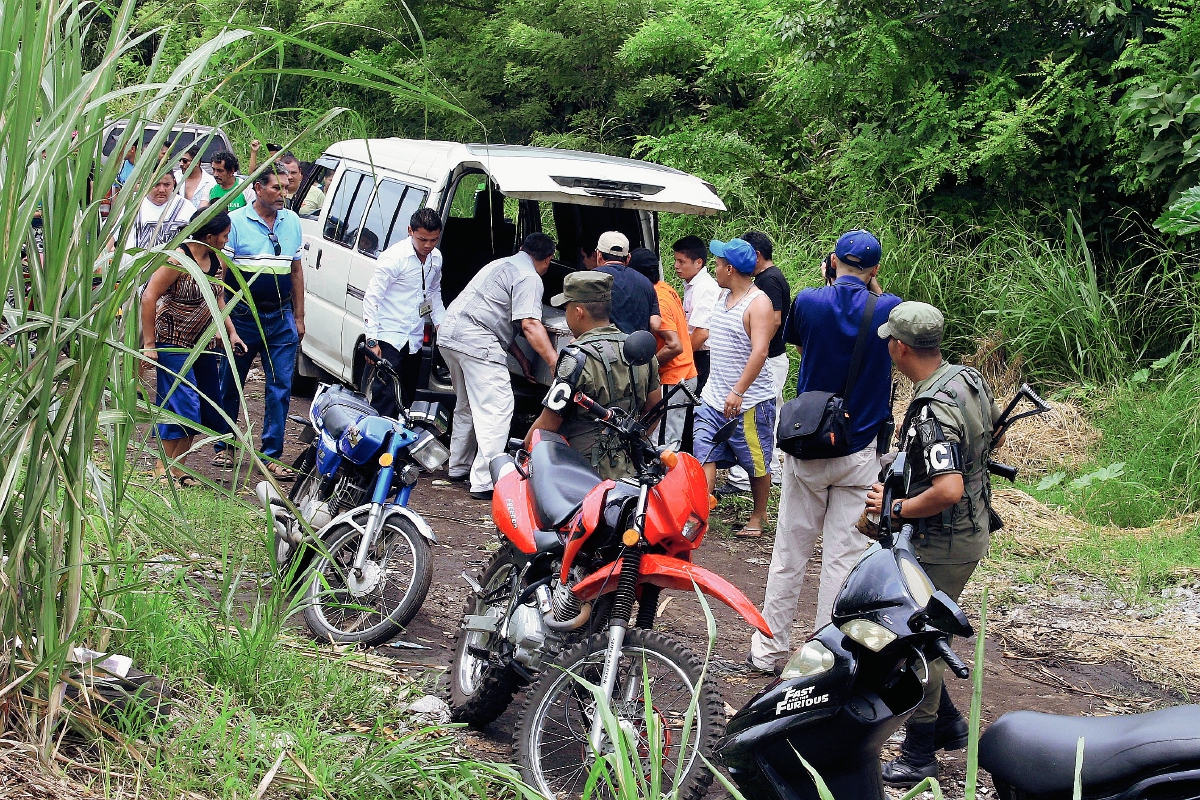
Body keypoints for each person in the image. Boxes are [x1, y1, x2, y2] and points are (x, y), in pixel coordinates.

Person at [747, 229, 901, 675]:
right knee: (843, 559)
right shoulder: (888, 309)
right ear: (874, 269)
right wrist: (872, 290)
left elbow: (797, 341)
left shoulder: (811, 302)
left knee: (790, 552)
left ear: (832, 261)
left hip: (808, 443)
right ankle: (823, 659)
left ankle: (769, 650)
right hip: (860, 450)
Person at [864, 302, 1001, 787]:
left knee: (919, 643)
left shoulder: (933, 409)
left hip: (943, 540)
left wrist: (896, 508)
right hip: (967, 531)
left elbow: (947, 489)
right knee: (920, 631)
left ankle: (920, 752)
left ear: (900, 347)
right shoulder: (966, 379)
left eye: (889, 342)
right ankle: (948, 724)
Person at [439, 233, 560, 500]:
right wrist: (554, 362)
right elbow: (529, 323)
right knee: (496, 409)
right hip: (477, 341)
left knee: (468, 404)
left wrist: (520, 357)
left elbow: (496, 319)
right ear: (548, 259)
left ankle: (458, 466)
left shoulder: (499, 264)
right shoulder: (530, 277)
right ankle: (484, 480)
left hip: (449, 335)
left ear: (522, 249)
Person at [140, 209, 246, 486]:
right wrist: (149, 344)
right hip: (173, 341)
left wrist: (230, 332)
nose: (226, 240)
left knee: (202, 406)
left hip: (204, 343)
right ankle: (162, 468)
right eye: (223, 236)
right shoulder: (178, 259)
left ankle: (178, 470)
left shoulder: (217, 261)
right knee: (179, 403)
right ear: (209, 235)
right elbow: (149, 297)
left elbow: (219, 298)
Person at [213, 168, 305, 478]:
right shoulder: (236, 222)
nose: (283, 193)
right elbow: (221, 276)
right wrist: (224, 321)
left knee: (280, 386)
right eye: (276, 188)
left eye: (286, 187)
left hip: (280, 317)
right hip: (242, 317)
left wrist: (299, 316)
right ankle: (225, 444)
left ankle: (271, 454)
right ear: (257, 188)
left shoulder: (292, 222)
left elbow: (296, 272)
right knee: (230, 382)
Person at [525, 272, 662, 479]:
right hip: (629, 468)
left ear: (578, 311)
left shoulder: (576, 358)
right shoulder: (639, 350)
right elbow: (655, 409)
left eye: (566, 308)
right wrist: (633, 439)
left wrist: (523, 452)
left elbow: (548, 424)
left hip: (581, 471)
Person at [691, 238, 776, 537]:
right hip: (713, 396)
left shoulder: (759, 303)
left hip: (750, 400)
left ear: (730, 268)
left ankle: (759, 514)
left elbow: (760, 352)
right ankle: (700, 511)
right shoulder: (721, 297)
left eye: (717, 263)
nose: (714, 267)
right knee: (704, 452)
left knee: (756, 461)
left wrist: (738, 391)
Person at [362, 207, 445, 416]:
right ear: (410, 231)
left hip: (414, 338)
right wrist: (372, 341)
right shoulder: (394, 258)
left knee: (406, 399)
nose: (428, 245)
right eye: (422, 239)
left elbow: (434, 292)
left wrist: (441, 324)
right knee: (386, 399)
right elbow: (372, 298)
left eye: (433, 240)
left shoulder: (436, 258)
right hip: (389, 337)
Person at [629, 247, 696, 450]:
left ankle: (663, 481)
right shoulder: (665, 288)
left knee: (663, 446)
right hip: (682, 374)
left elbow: (674, 345)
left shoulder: (658, 297)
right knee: (664, 439)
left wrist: (647, 368)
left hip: (673, 377)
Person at [672, 236, 720, 394]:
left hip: (704, 356)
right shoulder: (693, 284)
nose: (676, 266)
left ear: (698, 262)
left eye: (681, 262)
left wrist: (682, 358)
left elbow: (701, 333)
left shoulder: (704, 287)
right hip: (698, 353)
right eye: (676, 261)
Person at [590, 231, 661, 334]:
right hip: (637, 348)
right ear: (628, 258)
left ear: (599, 255)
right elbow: (655, 324)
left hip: (602, 348)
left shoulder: (589, 279)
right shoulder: (646, 283)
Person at [125, 172, 195, 251]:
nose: (162, 190)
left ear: (174, 183)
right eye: (156, 184)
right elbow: (112, 238)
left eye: (167, 185)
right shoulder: (132, 206)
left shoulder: (186, 207)